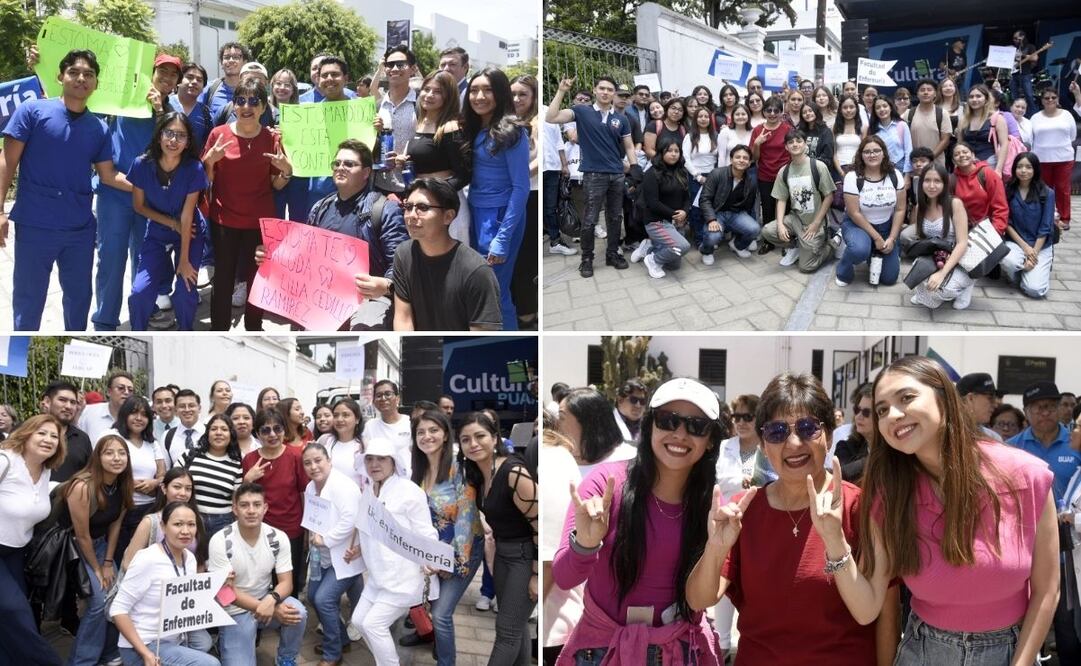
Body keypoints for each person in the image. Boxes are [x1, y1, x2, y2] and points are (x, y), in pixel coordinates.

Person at [810, 356, 1057, 666]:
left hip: (1008, 651)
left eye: (906, 398)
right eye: (882, 410)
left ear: (943, 397)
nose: (893, 415)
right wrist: (834, 542)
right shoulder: (890, 493)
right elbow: (867, 608)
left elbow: (1047, 591)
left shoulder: (1026, 476)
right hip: (923, 652)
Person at [554, 378, 727, 663]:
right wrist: (585, 543)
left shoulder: (712, 506)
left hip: (679, 651)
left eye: (696, 426)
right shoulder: (606, 484)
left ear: (710, 441)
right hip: (602, 650)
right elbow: (564, 577)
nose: (680, 434)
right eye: (667, 420)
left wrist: (717, 549)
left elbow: (702, 600)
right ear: (649, 426)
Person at [0, 49, 131, 331]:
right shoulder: (33, 111)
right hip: (36, 226)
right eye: (74, 72)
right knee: (28, 301)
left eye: (89, 74)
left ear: (95, 83)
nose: (81, 78)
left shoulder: (98, 128)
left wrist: (150, 188)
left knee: (79, 298)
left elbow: (108, 175)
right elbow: (6, 162)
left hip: (79, 230)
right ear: (61, 77)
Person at [255, 139, 408, 331]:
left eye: (349, 164)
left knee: (364, 329)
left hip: (367, 300)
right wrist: (272, 258)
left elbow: (400, 266)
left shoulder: (385, 210)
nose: (340, 168)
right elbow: (302, 258)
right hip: (321, 299)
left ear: (366, 173)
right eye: (336, 163)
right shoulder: (320, 208)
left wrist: (385, 285)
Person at [89, 53, 182, 332]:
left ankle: (144, 311)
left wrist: (158, 110)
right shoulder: (124, 97)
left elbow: (173, 144)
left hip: (150, 199)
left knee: (145, 259)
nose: (166, 78)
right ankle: (105, 320)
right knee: (111, 259)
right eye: (161, 72)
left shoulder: (171, 110)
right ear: (151, 73)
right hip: (115, 193)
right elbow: (83, 102)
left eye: (172, 74)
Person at [202, 78, 294, 331]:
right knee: (223, 279)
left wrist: (286, 171)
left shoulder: (272, 138)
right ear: (233, 105)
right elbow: (205, 183)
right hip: (224, 220)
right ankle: (218, 329)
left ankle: (254, 327)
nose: (247, 106)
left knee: (257, 278)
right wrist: (209, 162)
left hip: (259, 222)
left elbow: (276, 185)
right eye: (241, 100)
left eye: (254, 101)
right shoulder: (217, 135)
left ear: (264, 108)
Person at [400, 410, 484, 662]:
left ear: (446, 435)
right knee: (427, 601)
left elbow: (466, 519)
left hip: (462, 550)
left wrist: (451, 560)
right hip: (430, 549)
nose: (427, 437)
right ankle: (427, 636)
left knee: (442, 613)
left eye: (433, 430)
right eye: (421, 432)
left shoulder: (460, 468)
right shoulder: (417, 469)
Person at [352, 438, 441, 665]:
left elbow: (425, 530)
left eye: (381, 458)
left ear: (394, 462)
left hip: (405, 577)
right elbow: (367, 529)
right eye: (370, 458)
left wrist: (431, 558)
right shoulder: (369, 489)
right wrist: (358, 549)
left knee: (374, 624)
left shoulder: (410, 491)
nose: (374, 464)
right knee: (359, 621)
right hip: (378, 576)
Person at [459, 413, 537, 665]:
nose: (473, 443)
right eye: (466, 439)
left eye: (480, 436)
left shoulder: (514, 472)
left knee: (507, 633)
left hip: (525, 557)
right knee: (516, 626)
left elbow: (540, 523)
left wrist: (536, 574)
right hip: (504, 555)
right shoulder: (477, 474)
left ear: (495, 438)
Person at [545, 76, 637, 278]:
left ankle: (612, 253)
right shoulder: (581, 111)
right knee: (590, 219)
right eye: (602, 88)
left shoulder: (621, 119)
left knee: (615, 217)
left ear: (614, 94)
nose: (605, 92)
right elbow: (551, 117)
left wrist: (634, 166)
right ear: (595, 90)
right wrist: (561, 91)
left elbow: (629, 145)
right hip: (593, 175)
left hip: (617, 174)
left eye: (609, 89)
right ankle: (587, 258)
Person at [208, 483, 308, 666]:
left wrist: (271, 601)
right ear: (235, 509)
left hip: (265, 599)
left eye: (256, 504)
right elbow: (223, 593)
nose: (251, 510)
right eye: (244, 505)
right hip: (234, 611)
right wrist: (264, 607)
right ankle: (223, 644)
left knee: (298, 612)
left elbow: (287, 583)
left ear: (265, 508)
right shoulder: (220, 540)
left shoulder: (278, 537)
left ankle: (286, 657)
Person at [126, 112, 208, 331]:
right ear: (159, 135)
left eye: (180, 135)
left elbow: (187, 215)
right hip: (158, 232)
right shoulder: (142, 165)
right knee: (140, 293)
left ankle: (185, 332)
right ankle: (138, 331)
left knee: (185, 290)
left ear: (188, 141)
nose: (173, 140)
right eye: (169, 133)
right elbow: (139, 206)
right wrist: (170, 224)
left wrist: (184, 261)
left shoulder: (194, 169)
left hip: (189, 232)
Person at [110, 502, 218, 666]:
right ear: (163, 526)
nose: (185, 531)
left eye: (191, 524)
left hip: (172, 638)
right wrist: (146, 654)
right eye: (178, 524)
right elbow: (117, 610)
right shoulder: (147, 559)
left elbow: (189, 602)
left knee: (203, 642)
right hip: (143, 644)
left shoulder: (189, 558)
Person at [463, 68, 530, 330]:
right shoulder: (474, 127)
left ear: (500, 93)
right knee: (482, 290)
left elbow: (521, 187)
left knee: (496, 292)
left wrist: (502, 238)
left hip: (501, 218)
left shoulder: (513, 131)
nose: (479, 96)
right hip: (475, 214)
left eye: (488, 90)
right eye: (474, 90)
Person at [391, 178, 502, 331]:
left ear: (448, 216)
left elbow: (482, 335)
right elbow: (403, 320)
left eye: (422, 207)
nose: (411, 215)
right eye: (408, 207)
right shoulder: (403, 255)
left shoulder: (477, 271)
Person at [0, 415, 66, 665]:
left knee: (9, 619)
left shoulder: (46, 471)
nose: (48, 439)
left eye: (54, 436)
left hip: (17, 552)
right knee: (15, 612)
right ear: (26, 433)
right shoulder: (5, 460)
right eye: (42, 433)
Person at [62, 433, 132, 666]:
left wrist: (108, 562)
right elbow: (82, 536)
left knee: (115, 596)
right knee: (99, 601)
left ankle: (109, 652)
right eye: (109, 452)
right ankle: (82, 661)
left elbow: (115, 524)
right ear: (97, 457)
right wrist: (98, 569)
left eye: (122, 453)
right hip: (77, 548)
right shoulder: (82, 486)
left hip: (102, 545)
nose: (117, 458)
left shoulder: (122, 485)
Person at [301, 442, 363, 666]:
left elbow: (350, 519)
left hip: (344, 556)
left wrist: (325, 539)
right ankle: (341, 639)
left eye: (318, 460)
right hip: (322, 557)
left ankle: (332, 654)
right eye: (307, 463)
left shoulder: (343, 486)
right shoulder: (310, 487)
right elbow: (312, 516)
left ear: (329, 460)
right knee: (313, 597)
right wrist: (313, 538)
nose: (313, 466)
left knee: (324, 599)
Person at [241, 409, 308, 596]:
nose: (272, 435)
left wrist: (307, 531)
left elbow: (304, 494)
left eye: (277, 429)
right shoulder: (250, 459)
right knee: (262, 579)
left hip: (291, 529)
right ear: (257, 433)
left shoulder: (295, 456)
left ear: (284, 430)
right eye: (265, 430)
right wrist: (248, 479)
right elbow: (244, 497)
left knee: (289, 581)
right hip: (259, 530)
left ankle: (289, 619)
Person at [408, 70, 471, 243]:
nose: (429, 95)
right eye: (426, 89)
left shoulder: (452, 127)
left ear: (448, 97)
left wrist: (436, 191)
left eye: (437, 92)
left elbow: (464, 174)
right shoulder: (419, 122)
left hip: (447, 205)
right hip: (421, 202)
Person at [837, 135, 906, 287]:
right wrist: (876, 237)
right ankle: (844, 270)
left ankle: (872, 252)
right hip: (858, 225)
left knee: (889, 279)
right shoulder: (852, 177)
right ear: (861, 155)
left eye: (876, 150)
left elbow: (900, 209)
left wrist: (892, 238)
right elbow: (854, 213)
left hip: (886, 227)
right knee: (859, 249)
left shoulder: (895, 175)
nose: (872, 155)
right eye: (867, 152)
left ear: (884, 153)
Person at [762, 128, 834, 272]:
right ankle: (795, 246)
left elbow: (829, 196)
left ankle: (831, 246)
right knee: (768, 231)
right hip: (795, 219)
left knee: (806, 267)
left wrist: (816, 223)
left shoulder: (818, 166)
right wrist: (781, 224)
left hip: (815, 221)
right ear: (786, 147)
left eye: (799, 141)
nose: (795, 144)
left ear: (805, 144)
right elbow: (781, 199)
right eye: (791, 142)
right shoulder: (784, 171)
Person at [907, 161, 973, 309]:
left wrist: (942, 273)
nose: (931, 186)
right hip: (934, 256)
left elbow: (962, 243)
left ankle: (966, 286)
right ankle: (938, 286)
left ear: (945, 184)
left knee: (941, 292)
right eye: (927, 180)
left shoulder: (954, 204)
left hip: (957, 257)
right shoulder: (920, 207)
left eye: (937, 181)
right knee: (930, 299)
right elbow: (922, 240)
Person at [120, 466, 205, 571]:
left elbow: (200, 562)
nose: (183, 493)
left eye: (188, 489)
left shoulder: (197, 520)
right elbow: (128, 563)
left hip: (185, 583)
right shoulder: (150, 522)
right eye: (177, 487)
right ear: (164, 488)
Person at [111, 396, 165, 560]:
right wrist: (128, 484)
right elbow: (101, 470)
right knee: (122, 559)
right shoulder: (113, 436)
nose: (139, 418)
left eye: (144, 414)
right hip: (120, 509)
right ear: (124, 415)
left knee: (146, 560)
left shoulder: (152, 443)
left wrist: (154, 482)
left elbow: (163, 474)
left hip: (148, 509)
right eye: (134, 413)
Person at [630, 138, 691, 279]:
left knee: (674, 265)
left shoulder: (681, 171)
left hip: (675, 220)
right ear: (661, 153)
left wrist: (685, 211)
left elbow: (687, 197)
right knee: (682, 247)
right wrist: (675, 215)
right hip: (656, 221)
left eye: (676, 151)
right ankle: (653, 261)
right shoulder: (652, 173)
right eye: (669, 151)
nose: (674, 154)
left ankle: (649, 247)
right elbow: (653, 203)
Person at [175, 414, 243, 537]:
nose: (218, 433)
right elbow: (172, 483)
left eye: (224, 429)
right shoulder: (191, 455)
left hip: (223, 522)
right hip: (190, 518)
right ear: (207, 433)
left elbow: (236, 499)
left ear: (231, 435)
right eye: (213, 429)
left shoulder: (236, 464)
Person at [1001, 152, 1056, 298]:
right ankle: (1021, 271)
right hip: (1016, 242)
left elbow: (1046, 227)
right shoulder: (1008, 190)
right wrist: (1025, 248)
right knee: (1008, 261)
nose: (1023, 171)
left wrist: (1033, 255)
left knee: (1034, 290)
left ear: (1035, 170)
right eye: (1020, 167)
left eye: (1028, 167)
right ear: (1014, 169)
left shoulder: (1047, 193)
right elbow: (1006, 222)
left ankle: (1031, 271)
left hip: (1040, 245)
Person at [699, 145, 760, 260]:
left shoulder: (751, 182)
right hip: (716, 214)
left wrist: (743, 225)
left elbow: (748, 206)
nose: (741, 160)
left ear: (749, 162)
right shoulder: (717, 174)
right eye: (738, 157)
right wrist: (711, 219)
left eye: (745, 158)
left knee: (754, 229)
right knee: (713, 236)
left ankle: (737, 245)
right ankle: (706, 251)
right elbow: (704, 199)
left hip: (736, 214)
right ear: (731, 159)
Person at [372, 45, 418, 197]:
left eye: (401, 64)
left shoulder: (421, 104)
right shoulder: (377, 106)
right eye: (390, 65)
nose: (395, 69)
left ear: (412, 69)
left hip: (412, 186)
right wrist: (375, 134)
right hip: (379, 186)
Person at [557, 388, 635, 477]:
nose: (556, 424)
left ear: (587, 423)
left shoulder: (631, 461)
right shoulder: (554, 464)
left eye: (561, 417)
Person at [1030, 89, 1076, 231]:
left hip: (1064, 158)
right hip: (1042, 159)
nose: (1050, 100)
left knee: (1063, 189)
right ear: (1042, 100)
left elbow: (1072, 135)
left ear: (1057, 99)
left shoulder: (1067, 115)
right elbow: (1031, 138)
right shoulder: (1035, 117)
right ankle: (1045, 217)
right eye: (1046, 98)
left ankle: (1064, 218)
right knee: (1043, 190)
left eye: (1053, 97)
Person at [750, 96, 792, 236]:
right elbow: (755, 158)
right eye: (769, 110)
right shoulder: (757, 130)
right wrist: (757, 143)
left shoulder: (787, 129)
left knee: (785, 208)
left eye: (776, 110)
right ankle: (769, 239)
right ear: (764, 112)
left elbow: (793, 152)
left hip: (784, 176)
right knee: (767, 208)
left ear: (781, 112)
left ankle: (784, 237)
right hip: (765, 175)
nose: (772, 113)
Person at [951, 141, 1009, 236]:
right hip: (964, 232)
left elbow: (1000, 207)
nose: (961, 155)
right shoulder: (952, 180)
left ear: (973, 155)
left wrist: (995, 232)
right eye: (957, 154)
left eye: (965, 152)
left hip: (990, 229)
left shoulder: (987, 173)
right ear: (953, 161)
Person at [683, 107, 720, 252]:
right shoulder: (690, 136)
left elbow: (719, 157)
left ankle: (711, 237)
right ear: (695, 119)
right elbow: (685, 159)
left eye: (706, 116)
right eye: (700, 116)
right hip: (696, 177)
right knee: (697, 211)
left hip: (713, 176)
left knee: (712, 209)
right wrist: (697, 176)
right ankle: (699, 239)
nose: (703, 119)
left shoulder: (715, 136)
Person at [45, 380, 94, 483]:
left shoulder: (82, 438)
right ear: (48, 401)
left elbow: (90, 474)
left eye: (73, 402)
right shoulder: (28, 432)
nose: (68, 406)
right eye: (62, 400)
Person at [957, 85, 1010, 176]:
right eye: (971, 97)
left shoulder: (997, 118)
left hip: (989, 163)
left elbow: (1004, 144)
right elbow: (959, 144)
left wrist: (998, 169)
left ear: (986, 99)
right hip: (967, 164)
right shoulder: (963, 120)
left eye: (978, 96)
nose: (974, 99)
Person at [362, 380, 413, 475]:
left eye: (388, 394)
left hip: (408, 481)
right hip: (380, 482)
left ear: (397, 399)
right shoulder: (370, 426)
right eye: (378, 395)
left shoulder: (410, 423)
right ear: (373, 402)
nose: (383, 398)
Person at [317, 398, 367, 489]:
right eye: (336, 415)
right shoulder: (324, 441)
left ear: (357, 419)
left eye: (345, 415)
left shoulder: (365, 446)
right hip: (327, 500)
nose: (339, 419)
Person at [79, 370, 136, 445]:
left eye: (130, 390)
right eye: (121, 388)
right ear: (109, 392)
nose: (126, 392)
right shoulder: (88, 412)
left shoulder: (137, 419)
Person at [907, 79, 952, 168]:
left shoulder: (942, 113)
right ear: (917, 94)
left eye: (929, 90)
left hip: (937, 164)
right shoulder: (908, 114)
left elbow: (945, 140)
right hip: (915, 165)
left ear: (935, 93)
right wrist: (919, 161)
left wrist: (929, 158)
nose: (926, 92)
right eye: (922, 90)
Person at [200, 42, 251, 119]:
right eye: (226, 57)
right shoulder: (209, 89)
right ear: (221, 63)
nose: (231, 60)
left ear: (245, 62)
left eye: (236, 57)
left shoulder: (253, 90)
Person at [170, 63, 213, 154]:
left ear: (203, 88)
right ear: (179, 81)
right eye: (189, 77)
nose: (194, 82)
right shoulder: (165, 104)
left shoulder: (206, 114)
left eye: (199, 80)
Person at [833, 384, 873, 481]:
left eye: (866, 412)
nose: (859, 416)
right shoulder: (845, 447)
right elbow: (843, 473)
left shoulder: (898, 448)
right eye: (857, 410)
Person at [868, 96, 912, 177]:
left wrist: (907, 175)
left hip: (900, 168)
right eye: (878, 107)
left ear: (891, 108)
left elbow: (908, 151)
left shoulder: (901, 125)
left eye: (885, 106)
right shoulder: (872, 129)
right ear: (874, 111)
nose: (882, 109)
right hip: (880, 169)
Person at [955, 373, 1001, 441]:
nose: (995, 405)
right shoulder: (943, 435)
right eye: (990, 398)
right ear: (970, 399)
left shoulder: (993, 438)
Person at [163, 389, 205, 466]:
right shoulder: (167, 436)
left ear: (199, 408)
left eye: (191, 405)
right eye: (182, 406)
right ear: (175, 410)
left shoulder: (209, 432)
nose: (187, 410)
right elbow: (166, 470)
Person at [833, 95, 866, 178]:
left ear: (857, 108)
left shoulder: (863, 127)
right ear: (840, 110)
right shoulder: (835, 127)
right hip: (839, 168)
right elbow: (833, 153)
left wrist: (857, 169)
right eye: (845, 107)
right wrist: (841, 172)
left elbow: (864, 151)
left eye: (851, 107)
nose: (848, 110)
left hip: (857, 168)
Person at [612, 379, 648, 444]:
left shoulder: (649, 427)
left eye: (642, 401)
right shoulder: (606, 425)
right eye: (634, 400)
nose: (638, 405)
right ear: (620, 400)